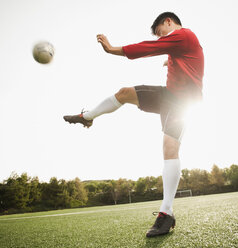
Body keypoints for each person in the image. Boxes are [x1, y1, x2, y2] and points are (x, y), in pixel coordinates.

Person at [64, 12, 204, 237]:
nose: (160, 38)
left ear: (168, 22)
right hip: (169, 96)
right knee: (124, 93)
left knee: (169, 147)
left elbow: (148, 47)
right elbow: (185, 58)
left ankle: (166, 214)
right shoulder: (180, 45)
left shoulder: (184, 35)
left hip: (183, 101)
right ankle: (88, 117)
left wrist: (113, 49)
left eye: (160, 33)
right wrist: (170, 59)